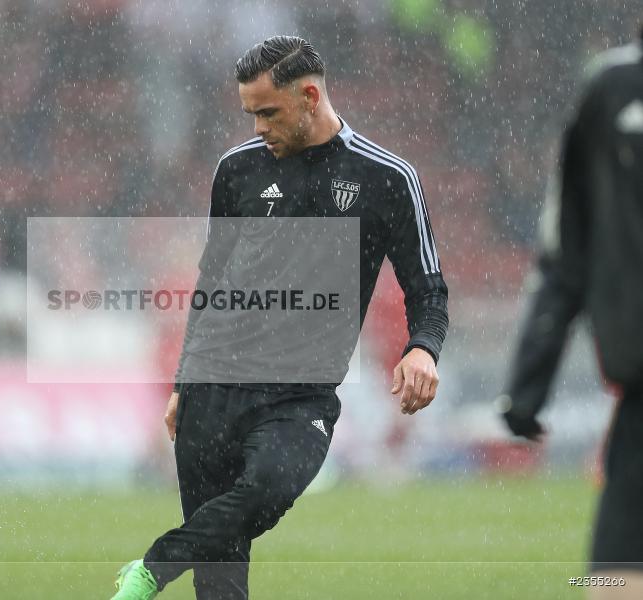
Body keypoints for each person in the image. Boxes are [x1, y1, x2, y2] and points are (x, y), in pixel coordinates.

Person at [112, 36, 449, 599]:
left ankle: (152, 569)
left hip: (300, 398)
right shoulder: (237, 169)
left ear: (310, 96)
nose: (258, 127)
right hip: (213, 390)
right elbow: (212, 282)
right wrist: (184, 381)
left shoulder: (387, 177)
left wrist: (423, 347)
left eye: (268, 112)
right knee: (220, 583)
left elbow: (428, 287)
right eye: (251, 113)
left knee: (268, 489)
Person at [498, 29, 643, 600]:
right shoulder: (611, 90)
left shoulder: (612, 90)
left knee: (615, 575)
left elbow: (566, 252)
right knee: (616, 574)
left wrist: (527, 385)